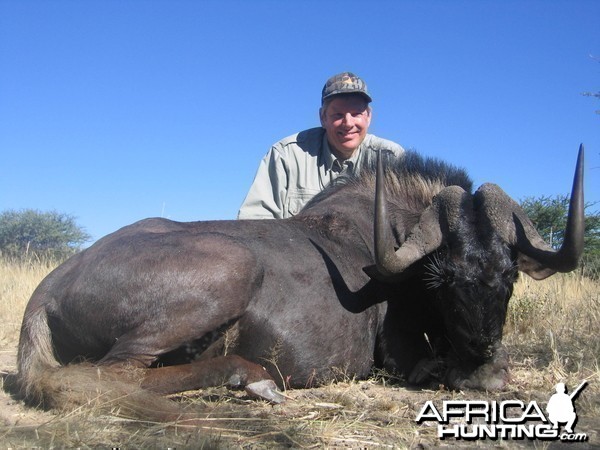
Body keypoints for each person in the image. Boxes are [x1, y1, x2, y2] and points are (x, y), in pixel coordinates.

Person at [237, 72, 404, 219]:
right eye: (338, 114)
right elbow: (255, 221)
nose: (348, 123)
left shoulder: (393, 159)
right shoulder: (285, 155)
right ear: (323, 117)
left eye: (356, 114)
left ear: (368, 117)